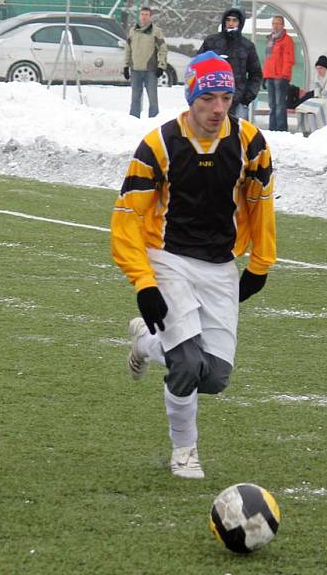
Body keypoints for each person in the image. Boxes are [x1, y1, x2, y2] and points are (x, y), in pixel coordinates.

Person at [110, 51, 276, 480]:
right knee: (185, 365)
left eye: (226, 97)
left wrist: (260, 264)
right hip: (168, 259)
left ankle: (146, 343)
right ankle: (185, 451)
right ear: (190, 98)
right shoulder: (159, 143)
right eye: (208, 98)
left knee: (215, 376)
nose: (218, 108)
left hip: (220, 266)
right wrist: (144, 282)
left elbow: (261, 205)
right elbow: (127, 215)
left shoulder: (251, 143)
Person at [197, 7, 262, 120]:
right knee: (210, 134)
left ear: (240, 23)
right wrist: (203, 93)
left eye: (234, 20)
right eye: (228, 20)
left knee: (237, 135)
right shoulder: (211, 41)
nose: (231, 23)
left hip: (238, 100)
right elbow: (197, 66)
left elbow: (256, 74)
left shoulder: (247, 46)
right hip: (212, 98)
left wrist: (246, 98)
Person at [123, 6, 167, 118]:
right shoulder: (132, 31)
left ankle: (153, 122)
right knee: (135, 98)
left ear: (150, 17)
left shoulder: (156, 32)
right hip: (135, 70)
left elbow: (163, 49)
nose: (144, 17)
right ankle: (133, 120)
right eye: (142, 14)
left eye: (146, 15)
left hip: (150, 71)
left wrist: (161, 66)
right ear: (139, 16)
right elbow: (128, 49)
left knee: (153, 99)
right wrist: (125, 66)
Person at [262, 15, 294, 131]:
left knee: (280, 105)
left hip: (280, 77)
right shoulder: (271, 39)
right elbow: (268, 60)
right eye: (273, 23)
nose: (275, 26)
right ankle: (272, 129)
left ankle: (281, 130)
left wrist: (284, 76)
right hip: (270, 76)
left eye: (278, 23)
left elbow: (289, 60)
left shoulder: (287, 40)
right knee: (272, 105)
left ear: (283, 25)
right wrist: (264, 76)